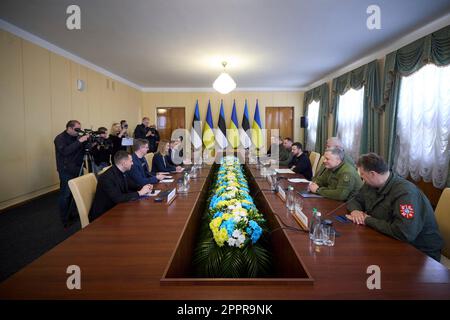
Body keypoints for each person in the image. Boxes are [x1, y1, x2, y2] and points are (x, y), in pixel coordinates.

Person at [346, 153, 443, 261]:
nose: (361, 178)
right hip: (388, 240)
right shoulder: (371, 184)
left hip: (419, 252)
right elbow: (354, 199)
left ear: (372, 174)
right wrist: (355, 210)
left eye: (362, 174)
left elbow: (404, 233)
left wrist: (367, 220)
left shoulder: (406, 194)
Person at [89, 151, 153, 222]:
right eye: (131, 161)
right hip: (103, 216)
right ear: (123, 163)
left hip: (117, 209)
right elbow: (118, 198)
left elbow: (131, 185)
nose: (132, 163)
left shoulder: (122, 171)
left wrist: (144, 187)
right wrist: (139, 193)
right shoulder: (107, 178)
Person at [54, 120, 89, 226]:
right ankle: (65, 219)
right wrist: (80, 141)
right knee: (66, 195)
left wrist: (89, 142)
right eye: (76, 129)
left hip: (78, 168)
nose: (78, 132)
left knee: (77, 194)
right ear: (69, 128)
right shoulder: (59, 138)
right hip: (66, 170)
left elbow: (85, 150)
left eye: (79, 129)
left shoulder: (77, 137)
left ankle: (74, 214)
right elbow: (65, 151)